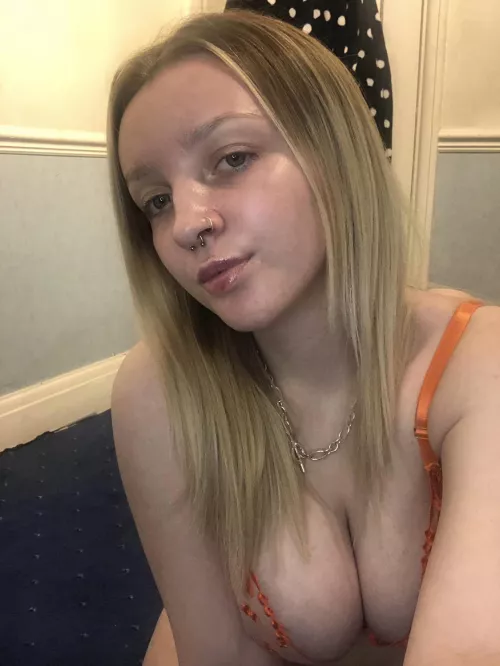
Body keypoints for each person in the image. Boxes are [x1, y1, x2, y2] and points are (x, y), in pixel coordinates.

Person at [108, 9, 500, 666]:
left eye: (232, 158)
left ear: (335, 152)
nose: (186, 225)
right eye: (156, 200)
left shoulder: (479, 361)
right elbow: (217, 652)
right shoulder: (159, 391)